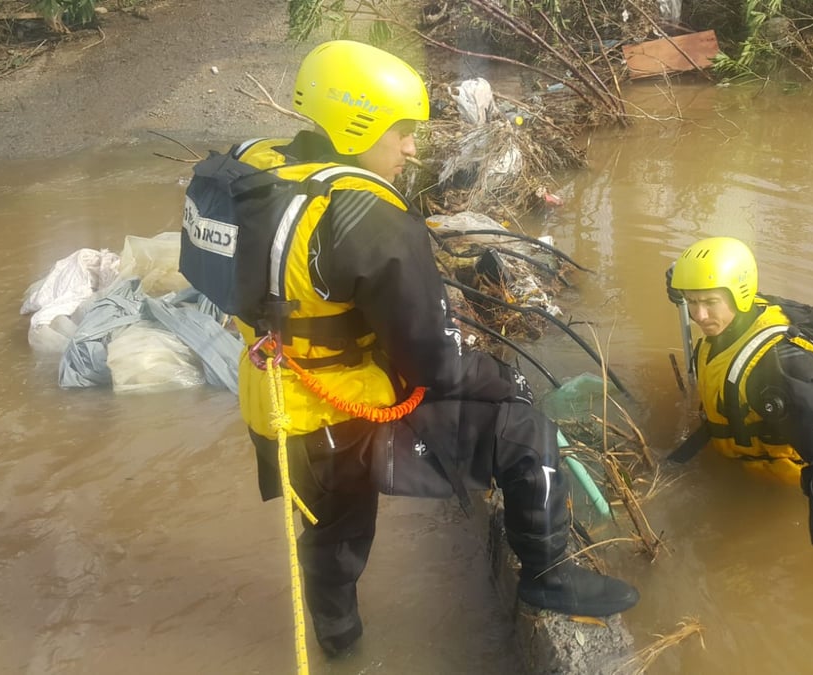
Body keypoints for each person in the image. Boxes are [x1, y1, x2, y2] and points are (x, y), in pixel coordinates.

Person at [181, 40, 638, 657]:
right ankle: (548, 578)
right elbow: (436, 363)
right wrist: (504, 381)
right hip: (341, 411)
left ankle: (341, 644)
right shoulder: (368, 217)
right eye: (402, 131)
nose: (412, 148)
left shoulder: (253, 168)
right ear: (357, 124)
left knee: (332, 532)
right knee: (524, 429)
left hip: (273, 404)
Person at [665, 236, 813, 546]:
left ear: (739, 296)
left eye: (709, 302)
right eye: (692, 301)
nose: (699, 315)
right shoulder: (740, 314)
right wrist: (683, 290)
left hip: (775, 486)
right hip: (730, 457)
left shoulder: (775, 369)